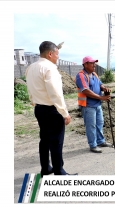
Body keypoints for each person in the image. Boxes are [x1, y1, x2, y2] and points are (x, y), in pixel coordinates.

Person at [25, 41, 76, 177]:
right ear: (50, 54)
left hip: (39, 109)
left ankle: (46, 168)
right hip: (52, 110)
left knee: (45, 139)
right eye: (57, 54)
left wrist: (34, 102)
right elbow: (55, 93)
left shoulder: (31, 68)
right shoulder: (50, 68)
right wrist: (64, 113)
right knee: (56, 141)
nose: (58, 57)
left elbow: (29, 88)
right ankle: (59, 172)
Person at [75, 56, 112, 153]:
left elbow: (100, 84)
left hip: (97, 104)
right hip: (88, 105)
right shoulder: (81, 75)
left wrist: (104, 89)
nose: (94, 65)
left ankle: (100, 141)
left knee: (100, 123)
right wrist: (101, 97)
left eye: (94, 63)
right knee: (91, 126)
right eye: (92, 63)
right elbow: (86, 90)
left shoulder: (94, 74)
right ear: (85, 64)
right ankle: (93, 145)